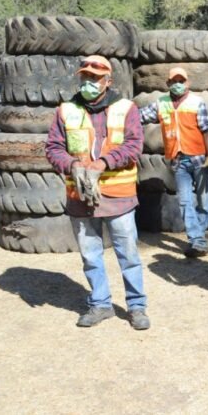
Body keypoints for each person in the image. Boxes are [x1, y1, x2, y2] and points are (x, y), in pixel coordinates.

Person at [45, 55, 149, 330]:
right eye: (86, 77)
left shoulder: (126, 108)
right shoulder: (66, 110)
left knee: (128, 255)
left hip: (118, 196)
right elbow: (53, 148)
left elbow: (134, 145)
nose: (89, 82)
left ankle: (136, 307)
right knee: (90, 255)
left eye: (95, 77)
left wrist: (103, 163)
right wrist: (72, 165)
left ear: (108, 81)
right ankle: (101, 304)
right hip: (80, 197)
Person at [138, 67, 208, 258]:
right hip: (178, 160)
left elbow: (207, 130)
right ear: (168, 83)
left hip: (200, 159)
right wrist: (121, 112)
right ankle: (197, 240)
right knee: (184, 201)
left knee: (203, 200)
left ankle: (199, 237)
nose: (178, 84)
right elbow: (139, 116)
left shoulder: (197, 102)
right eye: (174, 81)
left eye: (181, 81)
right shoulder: (161, 103)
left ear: (187, 83)